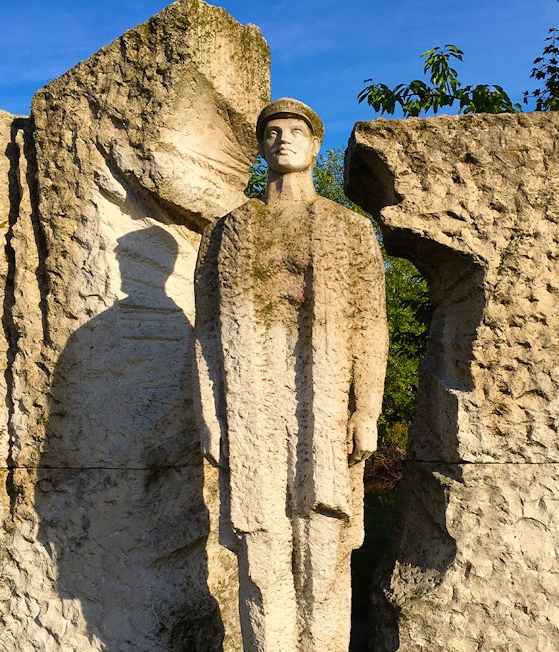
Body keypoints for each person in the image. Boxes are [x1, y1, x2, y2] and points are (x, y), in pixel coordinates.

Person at [194, 98, 387, 652]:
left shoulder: (347, 229)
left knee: (324, 546)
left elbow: (370, 325)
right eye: (271, 132)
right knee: (260, 550)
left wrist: (367, 409)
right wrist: (210, 413)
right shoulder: (229, 231)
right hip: (252, 400)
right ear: (259, 147)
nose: (283, 139)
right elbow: (206, 331)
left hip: (323, 401)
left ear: (315, 144)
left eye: (295, 130)